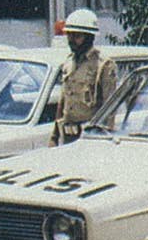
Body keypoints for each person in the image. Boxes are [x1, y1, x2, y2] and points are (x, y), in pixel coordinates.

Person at [50, 8, 118, 146]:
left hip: (91, 138)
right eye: (69, 35)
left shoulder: (103, 65)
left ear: (89, 37)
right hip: (68, 138)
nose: (71, 40)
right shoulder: (69, 63)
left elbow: (109, 110)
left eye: (77, 36)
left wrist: (105, 142)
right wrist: (54, 136)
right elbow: (63, 102)